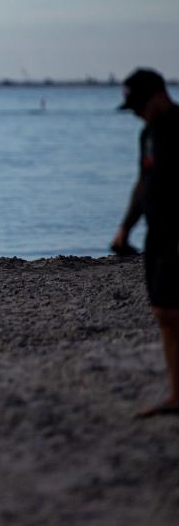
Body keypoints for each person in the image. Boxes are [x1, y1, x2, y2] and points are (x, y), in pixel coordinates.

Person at [110, 68, 179, 418]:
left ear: (158, 96)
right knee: (164, 313)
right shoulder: (147, 135)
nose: (136, 112)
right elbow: (143, 184)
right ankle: (176, 395)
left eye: (139, 105)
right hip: (157, 234)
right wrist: (125, 226)